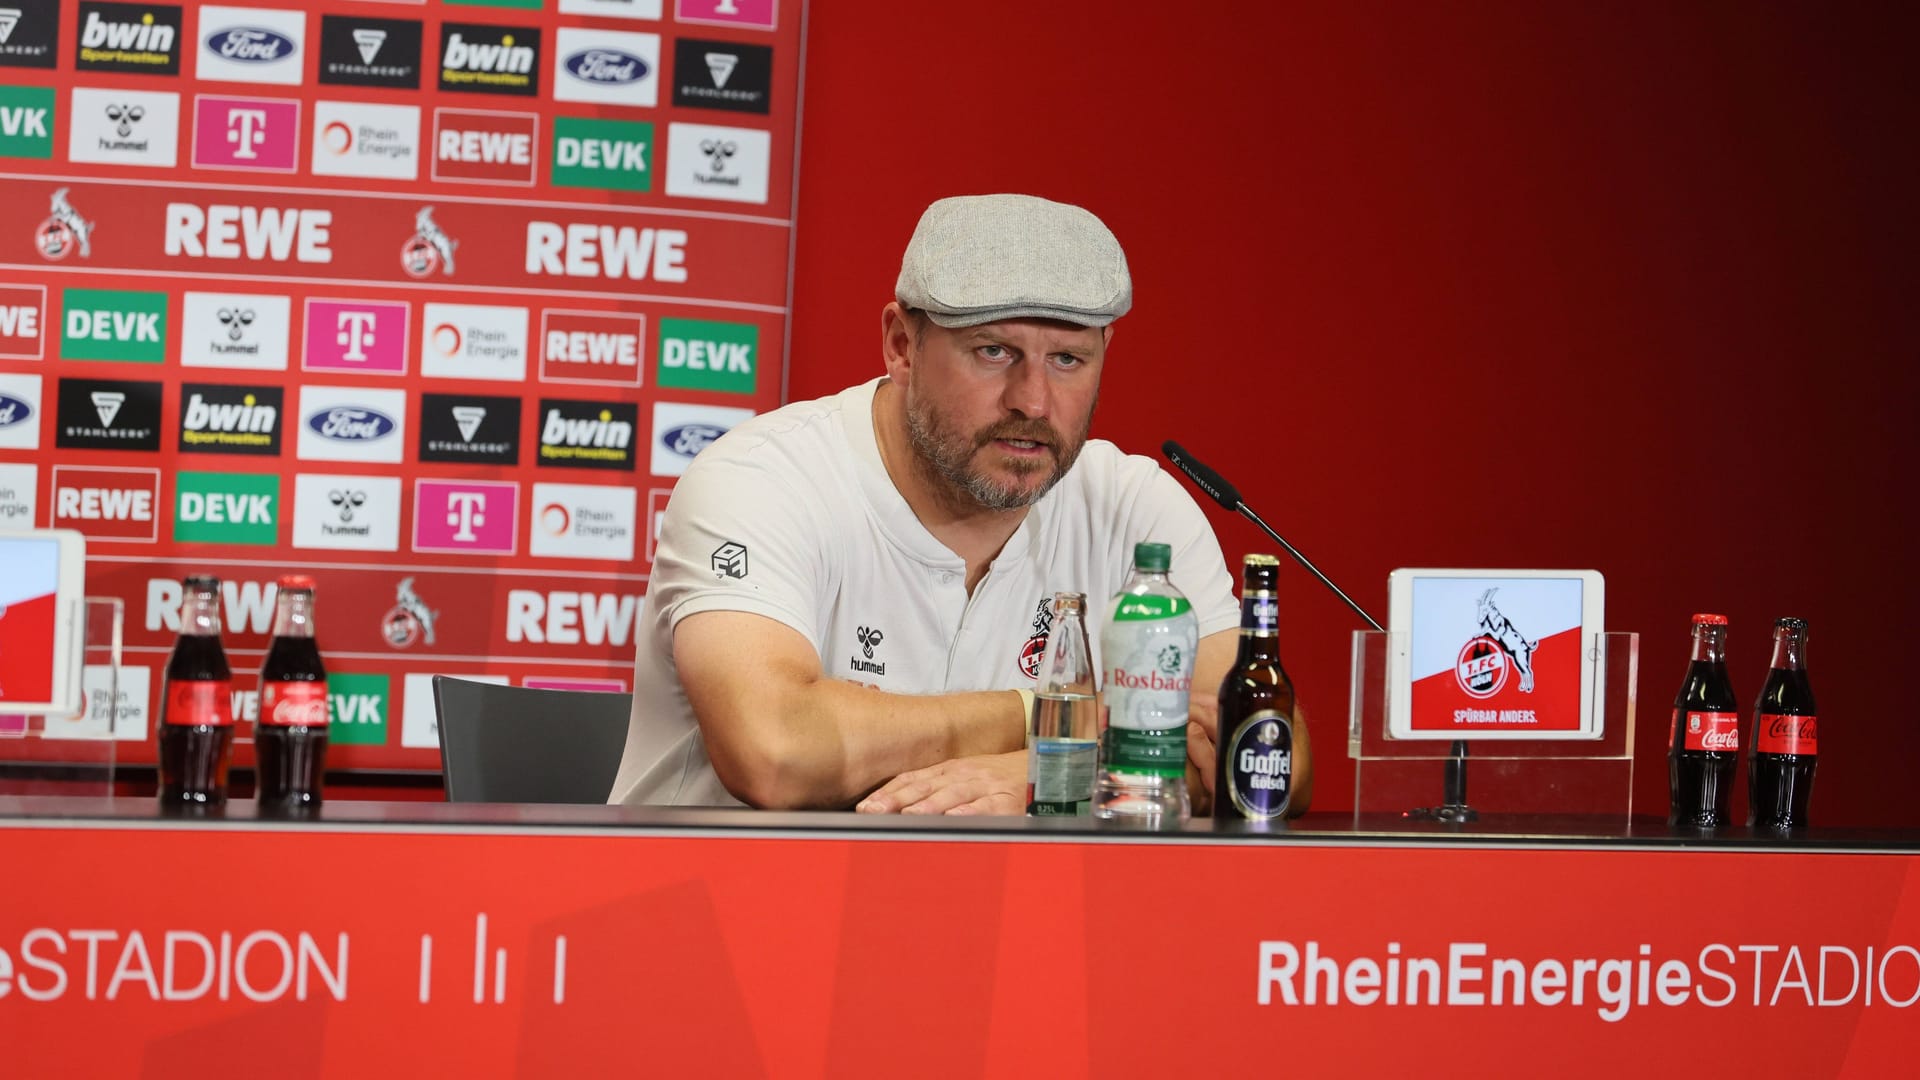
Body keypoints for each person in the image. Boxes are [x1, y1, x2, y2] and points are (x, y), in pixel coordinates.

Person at [608, 193, 1314, 815]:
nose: (1033, 402)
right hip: (721, 921)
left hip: (992, 934)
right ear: (900, 344)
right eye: (994, 352)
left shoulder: (1135, 509)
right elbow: (776, 749)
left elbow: (1270, 755)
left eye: (1068, 360)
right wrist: (1054, 719)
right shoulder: (763, 478)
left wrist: (1053, 776)